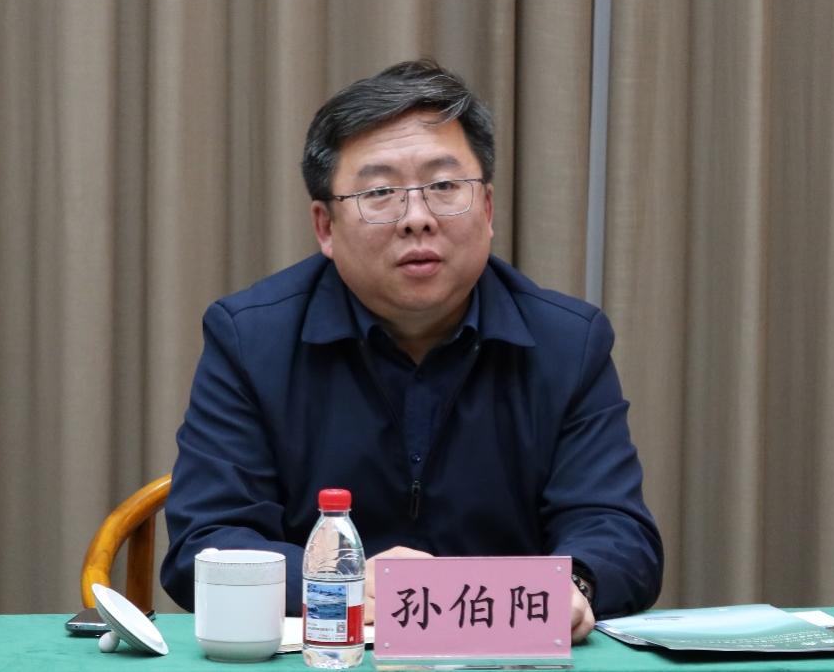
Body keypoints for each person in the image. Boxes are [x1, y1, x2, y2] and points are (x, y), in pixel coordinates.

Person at [161, 59, 662, 642]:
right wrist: (337, 579)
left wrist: (574, 585)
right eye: (380, 192)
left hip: (504, 655)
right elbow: (207, 543)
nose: (417, 219)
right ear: (325, 227)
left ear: (488, 209)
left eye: (444, 187)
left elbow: (616, 530)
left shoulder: (568, 342)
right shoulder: (251, 339)